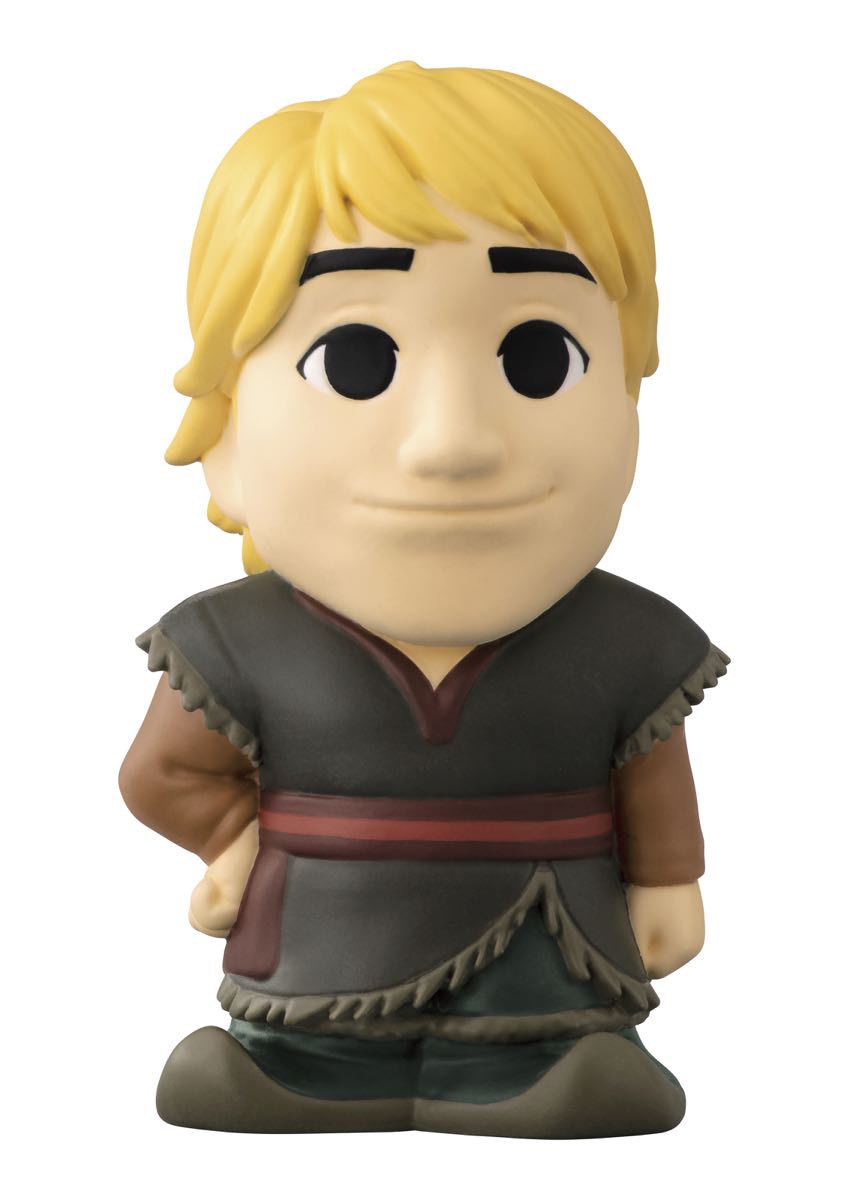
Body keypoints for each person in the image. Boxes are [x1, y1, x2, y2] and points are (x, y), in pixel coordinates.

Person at [119, 60, 728, 1137]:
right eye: (354, 360)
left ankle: (546, 1069)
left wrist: (670, 882)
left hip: (546, 921)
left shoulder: (622, 637)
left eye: (538, 356)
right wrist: (230, 841)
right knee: (308, 1031)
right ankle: (296, 1070)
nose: (453, 442)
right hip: (323, 928)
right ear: (224, 442)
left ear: (631, 412)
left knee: (543, 1029)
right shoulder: (240, 640)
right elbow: (160, 772)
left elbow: (650, 772)